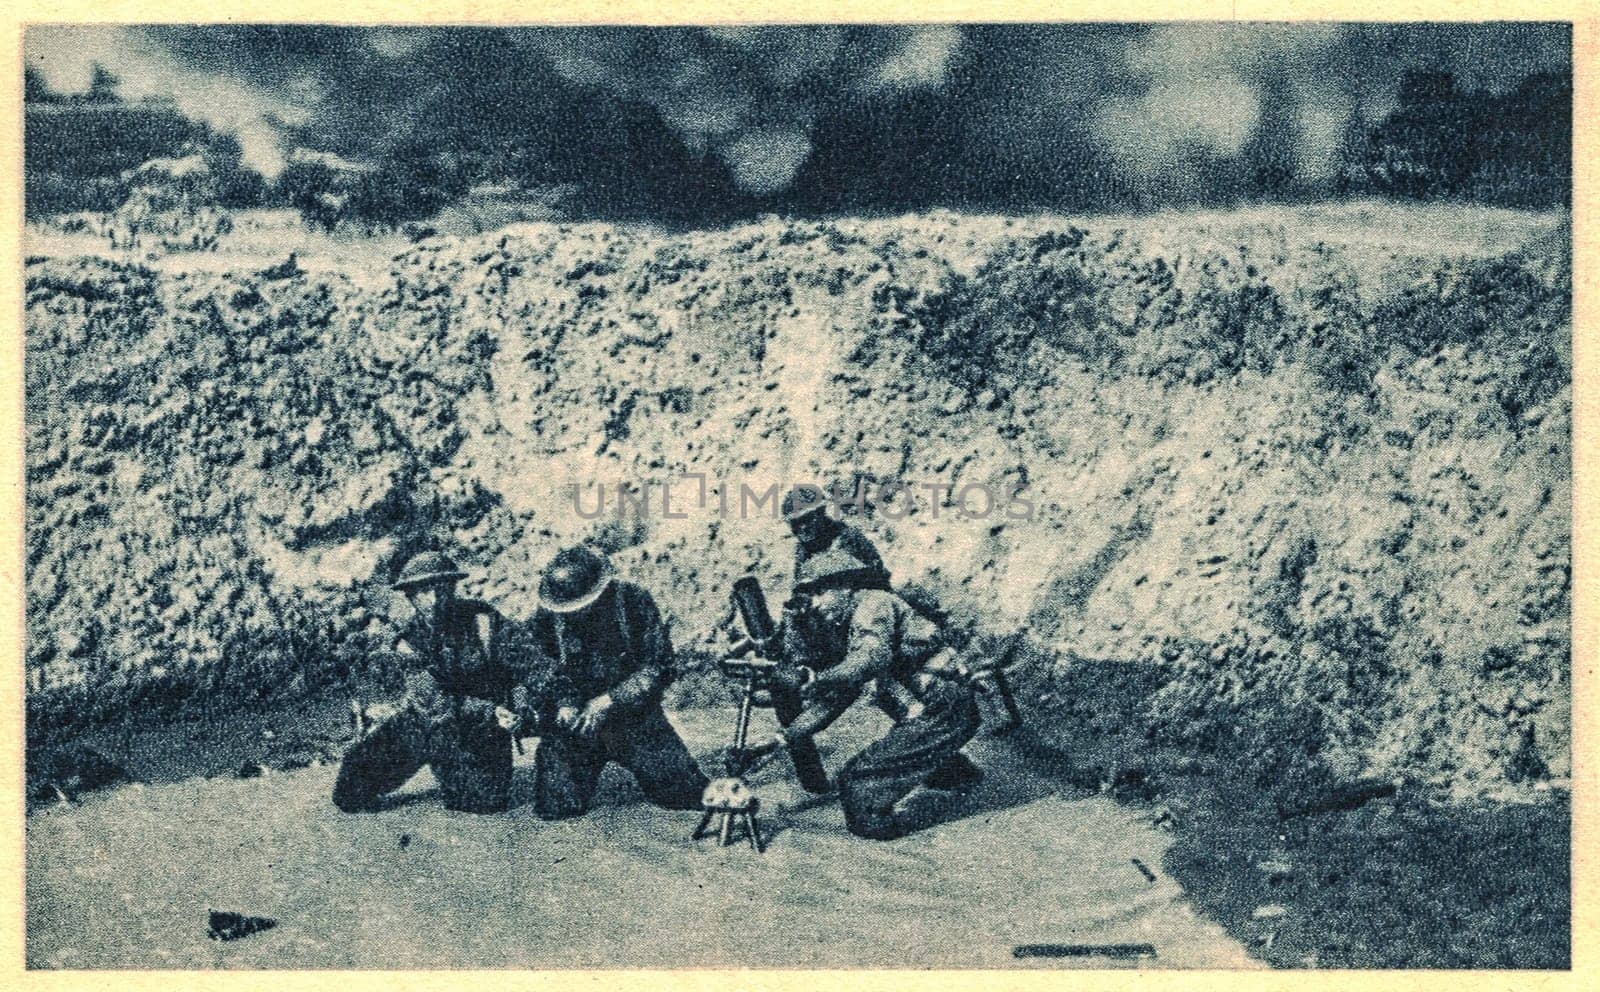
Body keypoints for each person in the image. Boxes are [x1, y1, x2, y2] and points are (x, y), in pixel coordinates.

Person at [744, 548, 985, 840]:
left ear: (845, 586)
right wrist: (782, 739)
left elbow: (871, 659)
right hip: (937, 709)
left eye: (820, 593)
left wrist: (814, 677)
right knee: (929, 771)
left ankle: (902, 853)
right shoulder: (850, 624)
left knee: (858, 785)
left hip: (944, 706)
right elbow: (836, 698)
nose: (815, 605)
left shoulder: (873, 604)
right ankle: (952, 771)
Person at [523, 545, 709, 820]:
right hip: (576, 725)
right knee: (555, 807)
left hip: (634, 720)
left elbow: (660, 666)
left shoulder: (633, 602)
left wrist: (609, 700)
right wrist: (563, 703)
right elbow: (535, 669)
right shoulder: (548, 615)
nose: (574, 614)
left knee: (688, 795)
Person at [333, 552, 520, 814]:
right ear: (410, 596)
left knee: (482, 802)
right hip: (428, 721)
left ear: (453, 588)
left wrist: (521, 702)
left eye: (441, 590)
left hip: (482, 728)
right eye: (423, 592)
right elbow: (432, 701)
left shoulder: (484, 620)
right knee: (350, 792)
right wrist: (490, 710)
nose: (433, 600)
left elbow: (530, 661)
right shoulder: (408, 640)